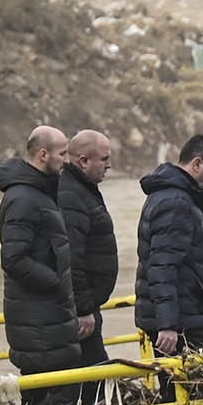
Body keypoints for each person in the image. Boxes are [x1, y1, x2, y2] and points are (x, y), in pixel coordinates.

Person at [0, 124, 79, 405]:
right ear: (43, 155)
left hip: (47, 321)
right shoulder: (24, 199)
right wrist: (56, 282)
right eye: (62, 153)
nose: (67, 160)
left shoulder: (40, 193)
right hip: (39, 324)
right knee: (58, 403)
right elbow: (14, 259)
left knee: (47, 399)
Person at [133, 135, 203, 358]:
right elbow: (163, 266)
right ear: (197, 164)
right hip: (180, 323)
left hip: (181, 315)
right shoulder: (176, 202)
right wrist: (168, 324)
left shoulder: (172, 196)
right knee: (193, 389)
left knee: (183, 389)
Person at [59, 129, 120, 381]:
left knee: (94, 380)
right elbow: (71, 256)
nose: (109, 165)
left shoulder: (82, 189)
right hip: (81, 312)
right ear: (83, 161)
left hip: (88, 306)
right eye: (104, 159)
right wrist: (84, 308)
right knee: (92, 381)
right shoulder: (71, 194)